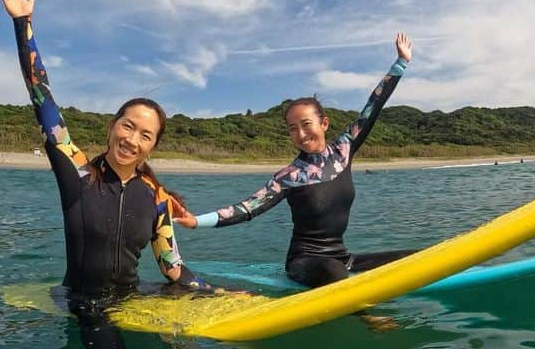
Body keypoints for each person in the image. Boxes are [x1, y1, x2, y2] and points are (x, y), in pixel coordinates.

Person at [0, 0, 204, 349]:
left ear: (152, 146)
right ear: (112, 127)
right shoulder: (76, 172)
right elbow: (43, 99)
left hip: (130, 297)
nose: (132, 139)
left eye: (145, 135)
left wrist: (218, 294)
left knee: (182, 343)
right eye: (127, 126)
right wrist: (23, 25)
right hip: (82, 300)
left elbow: (172, 268)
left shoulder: (157, 199)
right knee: (102, 331)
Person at [176, 33, 414, 292]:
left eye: (306, 125)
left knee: (413, 257)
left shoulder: (344, 150)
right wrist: (196, 221)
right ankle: (367, 315)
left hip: (341, 257)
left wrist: (400, 63)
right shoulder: (289, 176)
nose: (300, 135)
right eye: (292, 129)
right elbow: (246, 209)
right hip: (304, 262)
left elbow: (373, 107)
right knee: (333, 272)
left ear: (324, 124)